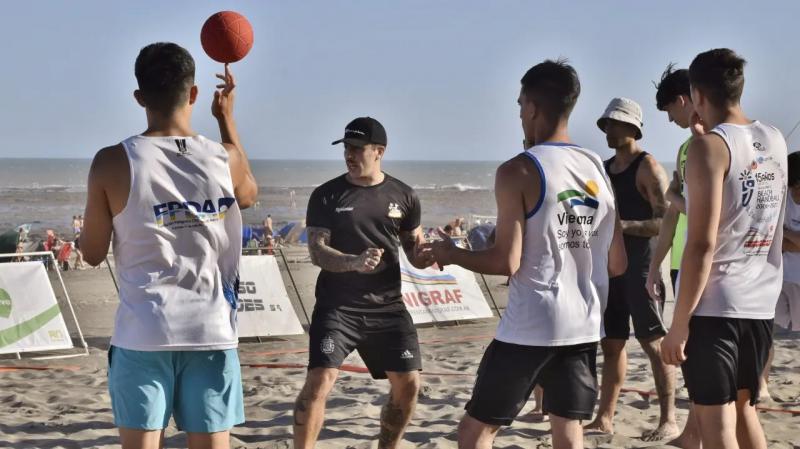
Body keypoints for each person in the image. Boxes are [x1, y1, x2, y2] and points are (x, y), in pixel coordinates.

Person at [430, 60, 627, 449]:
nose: (519, 114)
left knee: (474, 432)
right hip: (584, 320)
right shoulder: (596, 168)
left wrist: (450, 253)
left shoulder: (518, 170)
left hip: (532, 324)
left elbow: (506, 262)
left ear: (534, 108)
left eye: (520, 105)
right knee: (568, 432)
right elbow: (617, 262)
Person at [79, 42, 257, 449]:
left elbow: (90, 253)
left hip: (145, 330)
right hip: (211, 329)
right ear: (193, 93)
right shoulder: (223, 157)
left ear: (139, 97)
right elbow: (247, 193)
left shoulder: (111, 161)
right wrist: (227, 120)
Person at [661, 48, 788, 449]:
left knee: (717, 429)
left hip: (716, 305)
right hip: (760, 301)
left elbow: (700, 244)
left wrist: (679, 324)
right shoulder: (774, 138)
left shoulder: (707, 148)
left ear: (696, 95)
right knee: (745, 411)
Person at [292, 117, 435, 449]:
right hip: (337, 309)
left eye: (357, 148)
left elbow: (414, 249)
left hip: (388, 308)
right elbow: (317, 251)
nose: (349, 154)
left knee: (409, 384)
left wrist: (429, 255)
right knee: (319, 381)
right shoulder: (326, 195)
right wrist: (352, 262)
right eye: (346, 147)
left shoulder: (405, 196)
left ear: (379, 151)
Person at [585, 98, 677, 440]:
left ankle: (669, 418)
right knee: (612, 343)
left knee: (654, 342)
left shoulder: (648, 166)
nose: (608, 129)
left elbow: (664, 220)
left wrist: (621, 225)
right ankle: (605, 416)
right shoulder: (604, 168)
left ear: (632, 128)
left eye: (614, 123)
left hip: (643, 266)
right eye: (606, 123)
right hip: (612, 266)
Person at [644, 64, 703, 449]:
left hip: (707, 261)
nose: (670, 119)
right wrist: (654, 267)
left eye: (669, 111)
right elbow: (672, 216)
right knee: (695, 356)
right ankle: (692, 432)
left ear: (683, 100)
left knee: (697, 354)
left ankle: (696, 433)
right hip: (682, 260)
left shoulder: (712, 143)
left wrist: (673, 196)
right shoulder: (686, 148)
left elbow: (701, 209)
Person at [760, 151, 800, 398]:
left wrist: (786, 236)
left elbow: (782, 237)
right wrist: (788, 239)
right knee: (766, 329)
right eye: (793, 187)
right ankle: (761, 384)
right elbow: (771, 237)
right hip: (779, 276)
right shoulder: (781, 196)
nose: (795, 192)